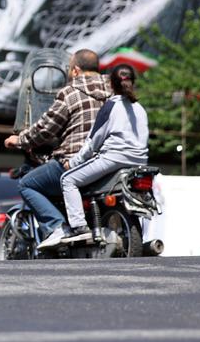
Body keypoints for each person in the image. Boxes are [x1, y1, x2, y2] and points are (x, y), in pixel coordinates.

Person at [3, 49, 109, 247]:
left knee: (27, 184)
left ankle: (56, 227)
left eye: (69, 69)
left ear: (76, 70)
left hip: (76, 159)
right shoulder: (113, 90)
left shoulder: (70, 93)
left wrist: (19, 139)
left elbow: (45, 129)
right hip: (108, 160)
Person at [53, 64, 149, 246]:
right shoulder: (141, 109)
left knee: (68, 180)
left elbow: (93, 141)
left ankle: (79, 227)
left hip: (114, 159)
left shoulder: (111, 105)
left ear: (111, 84)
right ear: (133, 82)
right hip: (139, 161)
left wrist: (72, 163)